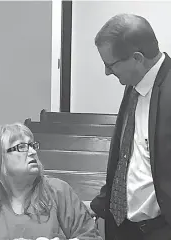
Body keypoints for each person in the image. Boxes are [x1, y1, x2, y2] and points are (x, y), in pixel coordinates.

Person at [90, 13, 171, 240]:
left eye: (110, 65)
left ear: (137, 58)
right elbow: (126, 156)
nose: (107, 72)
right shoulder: (134, 85)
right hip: (122, 227)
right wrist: (101, 205)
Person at [0, 122, 103, 240]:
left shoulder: (58, 190)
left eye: (32, 145)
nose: (32, 152)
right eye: (21, 147)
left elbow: (90, 236)